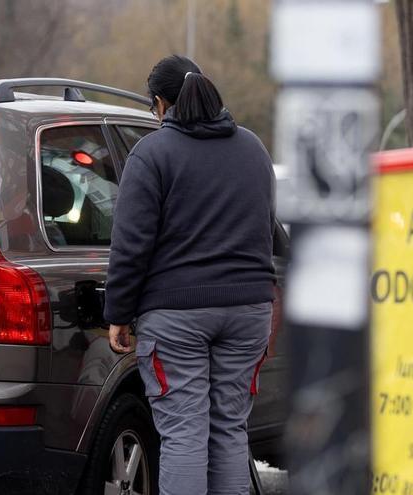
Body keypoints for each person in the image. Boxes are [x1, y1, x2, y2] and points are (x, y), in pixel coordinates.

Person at [105, 54, 276, 495]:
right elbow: (267, 229)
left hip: (177, 314)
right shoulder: (253, 148)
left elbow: (131, 246)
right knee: (229, 430)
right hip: (249, 312)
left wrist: (119, 313)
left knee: (184, 434)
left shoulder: (152, 154)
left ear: (161, 103)